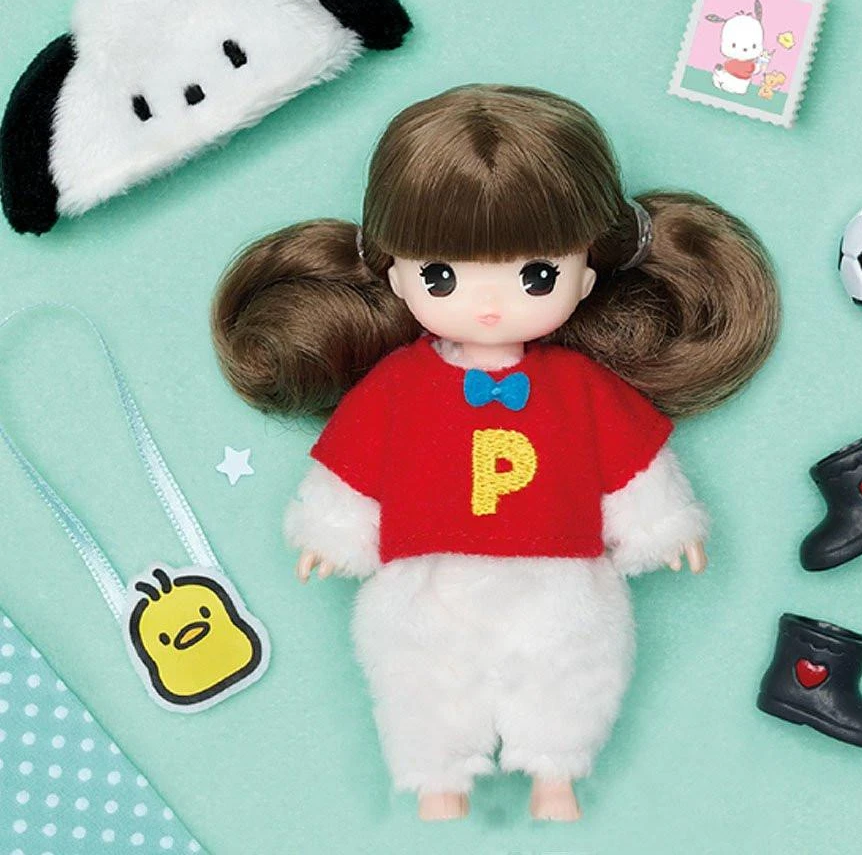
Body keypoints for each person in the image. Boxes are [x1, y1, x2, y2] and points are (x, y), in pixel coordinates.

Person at [211, 84, 779, 821]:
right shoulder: (396, 385)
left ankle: (557, 773)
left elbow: (634, 462)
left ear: (585, 275)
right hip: (429, 572)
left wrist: (662, 525)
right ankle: (438, 777)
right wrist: (331, 530)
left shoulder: (581, 386)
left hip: (559, 570)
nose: (487, 305)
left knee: (570, 667)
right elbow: (351, 464)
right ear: (395, 275)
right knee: (422, 672)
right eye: (441, 277)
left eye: (535, 276)